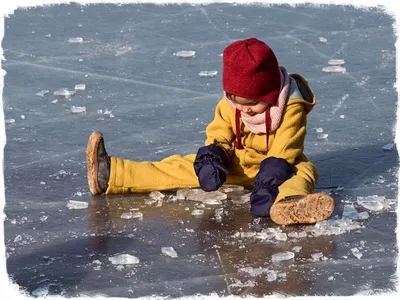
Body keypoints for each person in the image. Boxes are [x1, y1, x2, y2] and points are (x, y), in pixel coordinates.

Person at [85, 37, 335, 226]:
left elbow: (286, 149)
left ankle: (287, 204)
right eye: (238, 103)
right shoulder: (231, 104)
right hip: (238, 161)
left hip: (280, 167)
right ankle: (113, 174)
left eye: (252, 104)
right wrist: (212, 159)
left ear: (270, 94)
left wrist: (269, 183)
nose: (244, 111)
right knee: (180, 166)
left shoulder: (291, 106)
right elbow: (219, 133)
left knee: (304, 172)